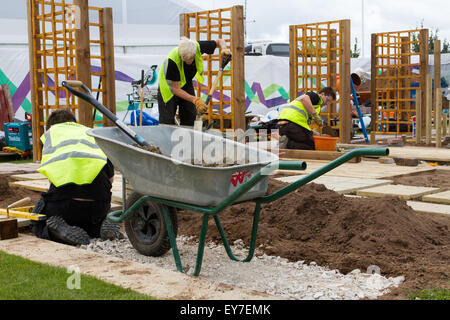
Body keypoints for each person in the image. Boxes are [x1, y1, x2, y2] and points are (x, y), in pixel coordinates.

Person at [30, 109, 123, 246]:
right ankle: (99, 228)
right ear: (74, 123)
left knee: (37, 221)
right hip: (98, 205)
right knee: (97, 217)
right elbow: (110, 180)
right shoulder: (91, 135)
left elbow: (52, 180)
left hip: (65, 206)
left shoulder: (52, 137)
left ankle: (58, 231)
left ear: (50, 128)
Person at [157, 36, 231, 126]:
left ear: (194, 52)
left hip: (185, 82)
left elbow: (220, 41)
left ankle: (188, 137)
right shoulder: (172, 61)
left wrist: (224, 49)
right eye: (185, 59)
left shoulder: (197, 47)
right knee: (167, 121)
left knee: (190, 116)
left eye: (191, 58)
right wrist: (195, 100)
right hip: (168, 88)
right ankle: (167, 138)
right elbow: (175, 89)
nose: (188, 61)